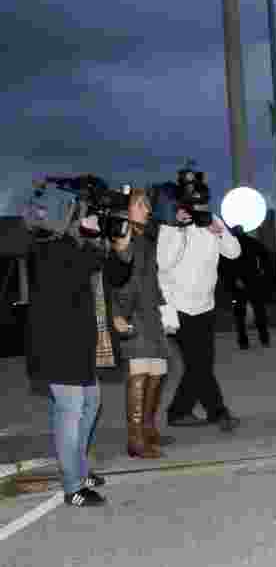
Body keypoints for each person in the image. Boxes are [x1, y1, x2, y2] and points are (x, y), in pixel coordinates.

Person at [24, 204, 134, 507]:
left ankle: (80, 470)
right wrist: (97, 236)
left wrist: (121, 248)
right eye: (83, 216)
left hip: (82, 343)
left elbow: (116, 274)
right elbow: (82, 263)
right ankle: (73, 486)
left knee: (90, 403)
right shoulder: (50, 247)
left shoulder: (80, 248)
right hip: (57, 345)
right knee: (70, 410)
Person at [158, 201, 242, 431]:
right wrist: (179, 229)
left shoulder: (211, 221)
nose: (200, 210)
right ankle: (217, 412)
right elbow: (163, 264)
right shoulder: (170, 227)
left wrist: (221, 231)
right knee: (199, 364)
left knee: (200, 364)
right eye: (196, 205)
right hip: (177, 306)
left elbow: (234, 253)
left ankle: (180, 411)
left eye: (204, 205)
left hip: (205, 306)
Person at [111, 189, 175, 458]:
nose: (147, 210)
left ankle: (147, 429)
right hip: (132, 312)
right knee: (139, 372)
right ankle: (135, 440)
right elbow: (116, 278)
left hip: (150, 312)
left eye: (147, 205)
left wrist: (166, 310)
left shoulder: (146, 237)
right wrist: (118, 313)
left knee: (158, 370)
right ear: (126, 209)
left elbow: (150, 279)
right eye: (140, 205)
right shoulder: (123, 236)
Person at [224, 225, 271, 350]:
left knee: (240, 314)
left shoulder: (230, 245)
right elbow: (266, 254)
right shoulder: (252, 242)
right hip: (253, 280)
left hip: (238, 283)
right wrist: (262, 271)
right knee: (259, 310)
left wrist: (233, 280)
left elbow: (227, 266)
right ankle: (264, 338)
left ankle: (243, 341)